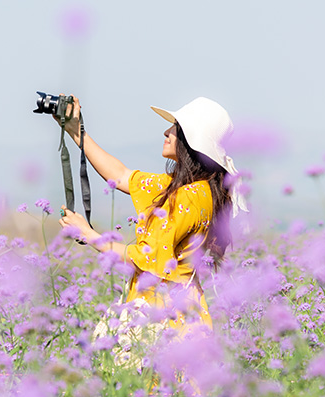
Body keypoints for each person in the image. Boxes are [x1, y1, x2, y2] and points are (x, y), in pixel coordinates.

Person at [55, 95, 249, 338]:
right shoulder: (190, 188)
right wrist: (76, 131)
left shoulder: (188, 196)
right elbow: (122, 176)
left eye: (176, 128)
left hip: (164, 320)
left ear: (192, 141)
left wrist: (87, 234)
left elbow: (141, 259)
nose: (166, 132)